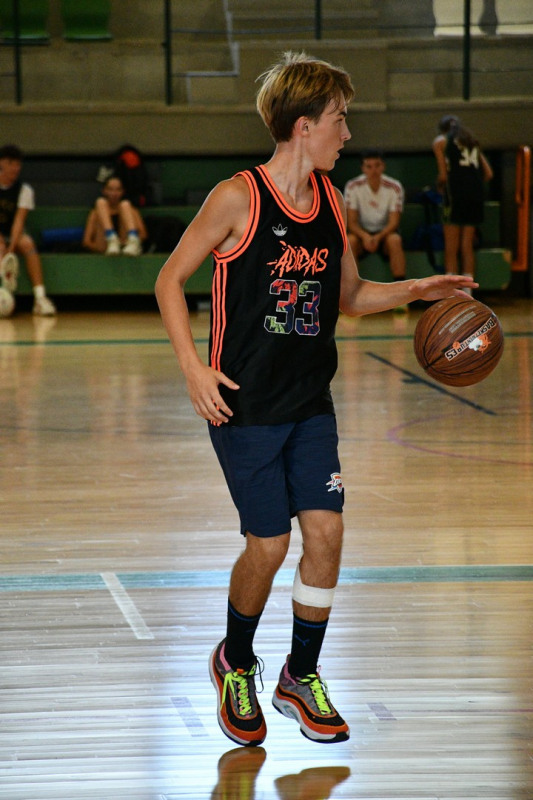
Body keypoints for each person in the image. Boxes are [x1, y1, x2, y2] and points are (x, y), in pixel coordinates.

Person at [155, 51, 476, 748]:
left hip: (309, 402)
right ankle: (235, 661)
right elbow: (169, 278)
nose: (347, 133)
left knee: (326, 534)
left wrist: (417, 290)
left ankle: (300, 675)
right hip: (242, 404)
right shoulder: (238, 197)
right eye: (339, 119)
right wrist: (192, 368)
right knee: (269, 544)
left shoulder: (330, 200)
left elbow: (350, 296)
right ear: (304, 125)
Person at [432, 115, 493, 290]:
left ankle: (451, 292)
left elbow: (443, 175)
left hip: (455, 195)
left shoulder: (440, 141)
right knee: (467, 245)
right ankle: (468, 292)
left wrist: (439, 187)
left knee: (451, 247)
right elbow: (488, 174)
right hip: (476, 196)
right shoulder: (472, 142)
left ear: (442, 129)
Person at [0, 145, 56, 316]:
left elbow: (19, 220)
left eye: (18, 164)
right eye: (11, 163)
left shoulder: (24, 190)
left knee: (28, 243)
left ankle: (40, 298)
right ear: (1, 164)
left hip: (13, 233)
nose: (15, 168)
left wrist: (11, 248)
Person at [343, 149, 406, 281]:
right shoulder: (352, 186)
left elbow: (394, 222)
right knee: (350, 240)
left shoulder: (395, 187)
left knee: (395, 240)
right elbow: (351, 222)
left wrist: (378, 237)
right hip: (361, 233)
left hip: (385, 233)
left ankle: (400, 284)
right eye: (369, 166)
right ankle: (352, 286)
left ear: (383, 166)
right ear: (363, 168)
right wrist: (365, 236)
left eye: (377, 165)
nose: (374, 170)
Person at [82, 175, 147, 256]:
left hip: (125, 246)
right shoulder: (95, 212)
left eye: (118, 189)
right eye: (110, 189)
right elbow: (87, 241)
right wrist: (102, 250)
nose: (114, 193)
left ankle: (132, 240)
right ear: (104, 191)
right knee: (100, 202)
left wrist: (123, 244)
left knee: (125, 204)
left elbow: (143, 234)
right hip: (104, 246)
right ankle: (111, 238)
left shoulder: (131, 210)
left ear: (123, 191)